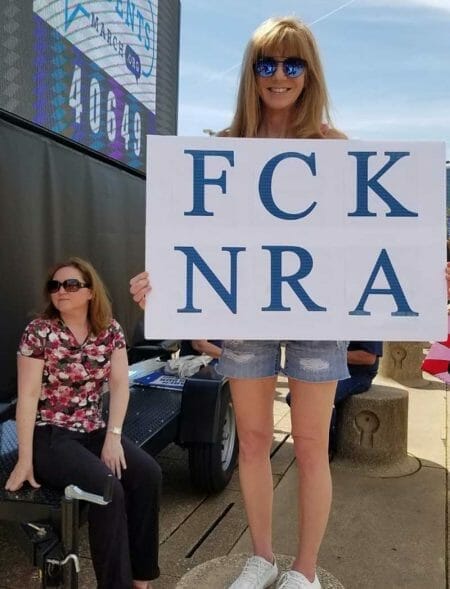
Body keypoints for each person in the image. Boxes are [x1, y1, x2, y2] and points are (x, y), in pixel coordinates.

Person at [131, 16, 349, 589]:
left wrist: (420, 269)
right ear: (251, 74)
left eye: (292, 63)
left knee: (308, 445)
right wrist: (166, 284)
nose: (279, 76)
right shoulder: (223, 149)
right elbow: (195, 240)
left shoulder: (333, 148)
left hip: (317, 311)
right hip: (245, 310)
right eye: (267, 64)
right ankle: (260, 556)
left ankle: (304, 571)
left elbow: (364, 236)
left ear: (309, 73)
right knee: (252, 439)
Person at [5, 257, 161, 589]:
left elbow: (120, 385)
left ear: (91, 292)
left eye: (71, 284)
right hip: (51, 436)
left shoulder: (110, 330)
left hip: (93, 430)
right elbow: (28, 397)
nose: (61, 291)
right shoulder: (39, 332)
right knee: (107, 490)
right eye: (55, 286)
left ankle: (141, 578)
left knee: (148, 473)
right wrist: (25, 459)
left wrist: (113, 437)